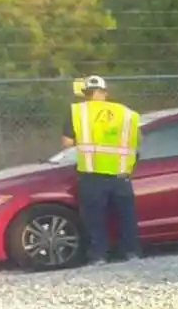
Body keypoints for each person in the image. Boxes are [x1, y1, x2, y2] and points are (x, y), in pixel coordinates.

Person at [60, 75, 143, 264]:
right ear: (105, 92)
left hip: (92, 174)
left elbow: (67, 144)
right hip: (121, 174)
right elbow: (139, 139)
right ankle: (131, 253)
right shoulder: (126, 113)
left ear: (86, 93)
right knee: (126, 216)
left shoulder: (77, 112)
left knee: (94, 218)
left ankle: (98, 256)